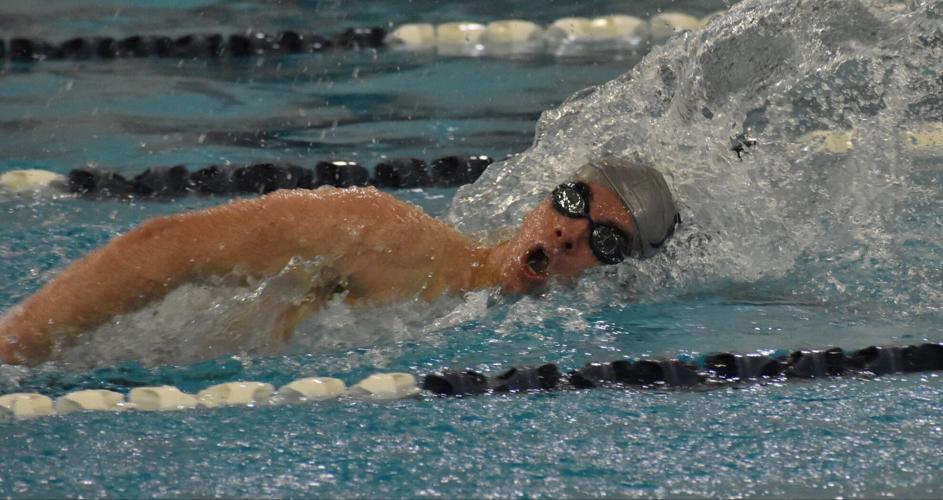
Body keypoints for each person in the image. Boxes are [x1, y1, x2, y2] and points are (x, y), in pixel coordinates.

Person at [0, 156, 679, 365]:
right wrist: (16, 346)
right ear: (542, 196)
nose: (569, 234)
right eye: (571, 203)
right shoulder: (384, 237)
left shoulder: (551, 351)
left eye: (606, 241)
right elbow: (167, 247)